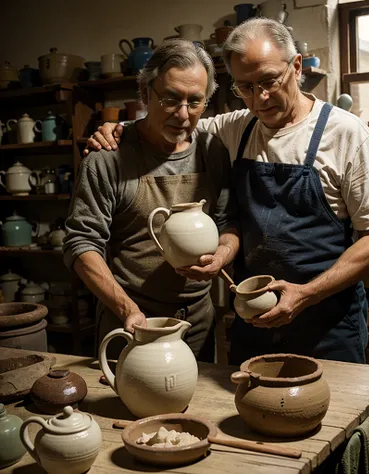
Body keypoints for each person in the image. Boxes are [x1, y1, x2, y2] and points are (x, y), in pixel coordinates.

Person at [86, 18, 369, 365]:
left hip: (327, 321)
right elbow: (172, 122)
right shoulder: (235, 127)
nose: (259, 99)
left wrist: (306, 294)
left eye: (268, 81)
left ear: (296, 67)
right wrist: (119, 130)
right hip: (254, 319)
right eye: (245, 87)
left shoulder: (346, 134)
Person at [64, 39, 240, 362]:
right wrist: (126, 309)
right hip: (131, 323)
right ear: (146, 94)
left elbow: (230, 223)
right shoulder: (108, 158)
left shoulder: (213, 151)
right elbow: (80, 244)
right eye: (171, 99)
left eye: (195, 102)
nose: (183, 114)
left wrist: (222, 255)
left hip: (197, 323)